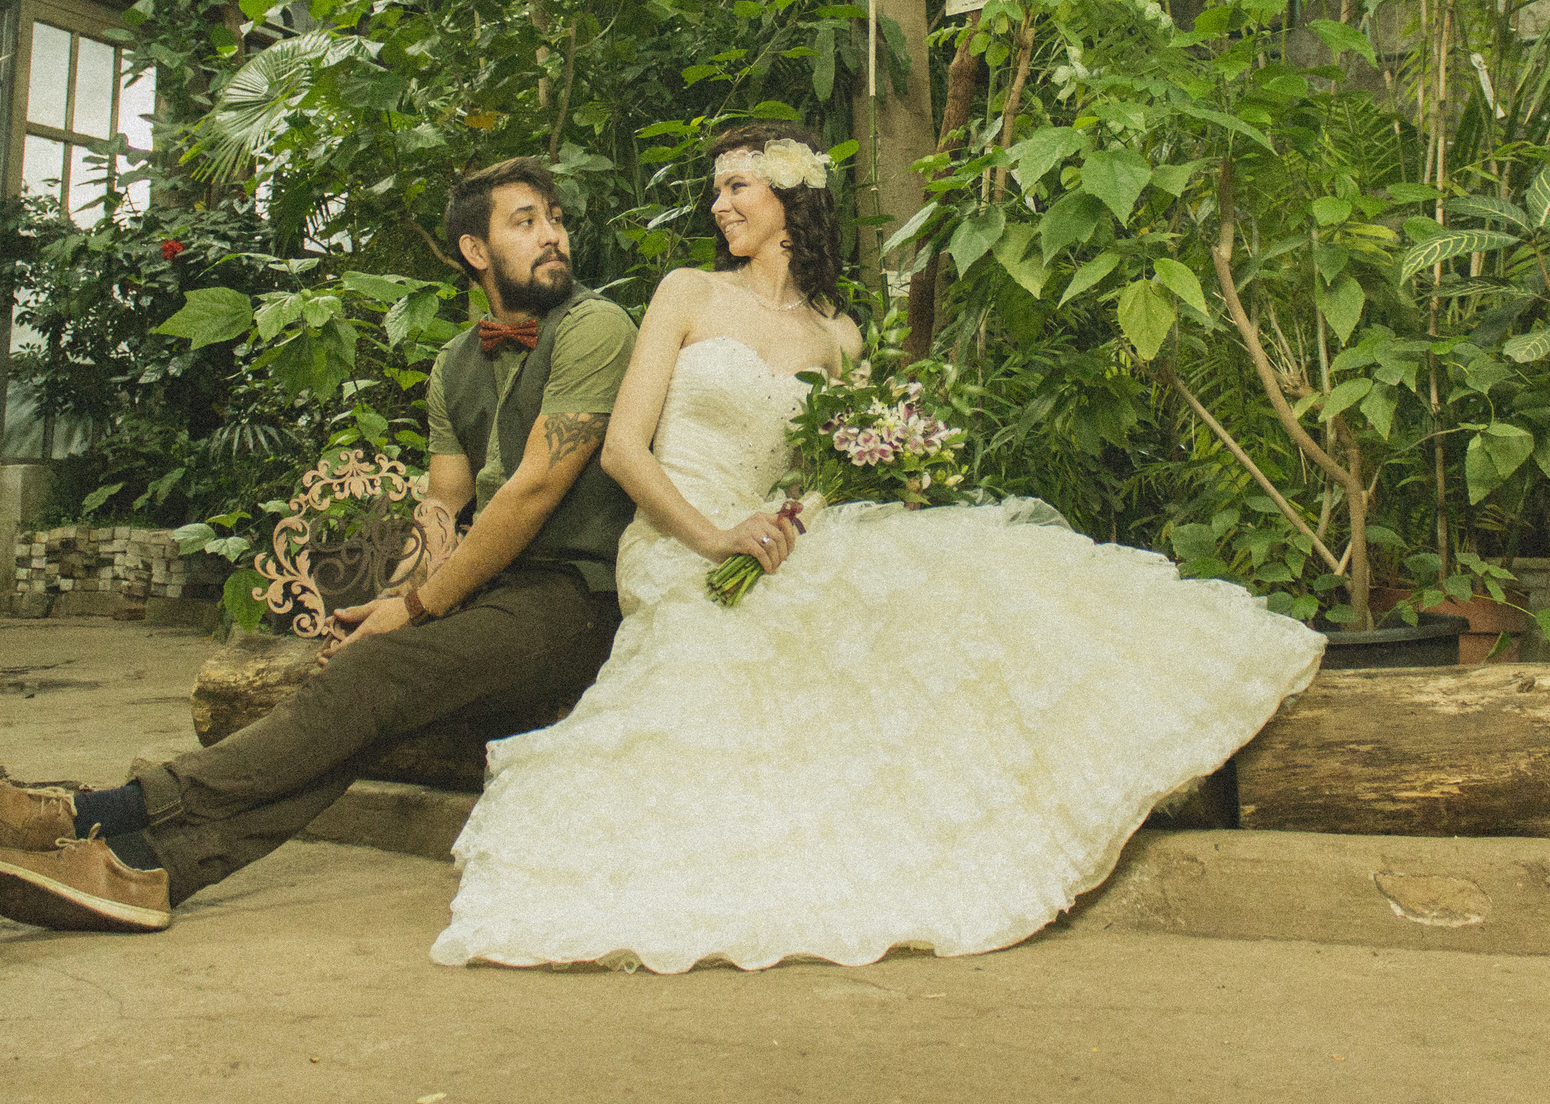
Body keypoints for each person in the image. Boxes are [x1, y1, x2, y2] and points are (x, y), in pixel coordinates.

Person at [430, 122, 1325, 971]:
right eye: (716, 192)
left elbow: (827, 468)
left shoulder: (839, 334)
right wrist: (714, 535)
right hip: (676, 540)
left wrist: (799, 516)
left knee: (942, 583)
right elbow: (624, 450)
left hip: (776, 539)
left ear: (789, 192)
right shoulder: (686, 294)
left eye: (736, 186)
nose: (719, 207)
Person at [0, 156, 638, 932]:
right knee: (357, 692)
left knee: (374, 674)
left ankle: (99, 809)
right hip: (492, 593)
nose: (552, 235)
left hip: (575, 600)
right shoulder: (454, 365)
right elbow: (444, 506)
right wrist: (395, 595)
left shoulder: (597, 329)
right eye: (526, 220)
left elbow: (531, 491)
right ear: (476, 251)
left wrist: (413, 609)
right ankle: (146, 866)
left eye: (554, 218)